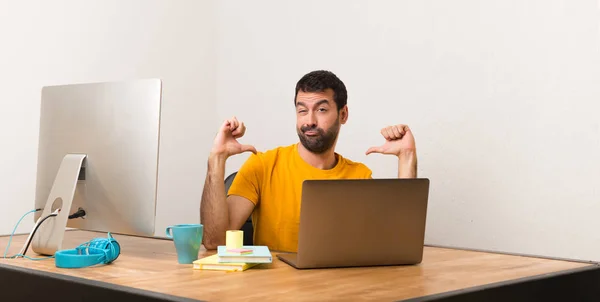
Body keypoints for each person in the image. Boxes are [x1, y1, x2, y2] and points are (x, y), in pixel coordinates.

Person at [200, 70, 417, 252]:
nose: (309, 121)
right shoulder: (263, 165)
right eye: (302, 111)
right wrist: (216, 159)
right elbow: (214, 241)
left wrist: (406, 158)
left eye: (321, 110)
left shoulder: (359, 176)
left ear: (343, 114)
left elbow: (398, 247)